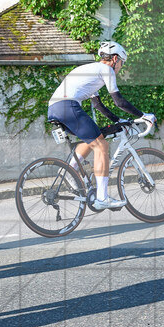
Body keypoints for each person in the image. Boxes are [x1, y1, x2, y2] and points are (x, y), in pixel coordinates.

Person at [47, 41, 155, 210]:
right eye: (121, 63)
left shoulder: (91, 70)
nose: (120, 67)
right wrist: (143, 116)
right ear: (114, 59)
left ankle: (69, 170)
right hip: (68, 106)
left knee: (94, 138)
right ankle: (102, 197)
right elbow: (119, 101)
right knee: (101, 146)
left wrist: (117, 121)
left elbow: (98, 105)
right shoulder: (106, 70)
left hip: (54, 108)